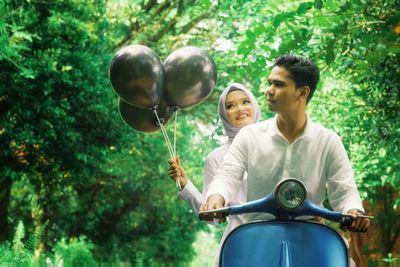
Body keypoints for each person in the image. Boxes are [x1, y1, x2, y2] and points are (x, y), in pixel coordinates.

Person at [200, 55, 370, 234]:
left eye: (279, 85)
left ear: (303, 93)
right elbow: (228, 175)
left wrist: (353, 210)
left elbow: (344, 191)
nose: (269, 91)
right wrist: (215, 197)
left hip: (310, 235)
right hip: (257, 235)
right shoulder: (249, 136)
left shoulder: (328, 141)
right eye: (270, 83)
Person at [167, 82, 260, 252]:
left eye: (245, 102)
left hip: (283, 235)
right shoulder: (216, 158)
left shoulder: (277, 142)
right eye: (230, 106)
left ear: (255, 105)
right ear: (224, 115)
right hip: (241, 243)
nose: (240, 108)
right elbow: (212, 215)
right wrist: (185, 184)